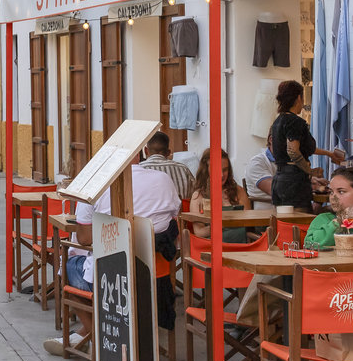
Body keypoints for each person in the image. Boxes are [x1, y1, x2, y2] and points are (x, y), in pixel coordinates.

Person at [63, 165, 181, 347]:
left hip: (111, 278)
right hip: (155, 274)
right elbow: (175, 219)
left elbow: (84, 239)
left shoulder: (95, 183)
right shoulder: (163, 179)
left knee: (67, 266)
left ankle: (96, 336)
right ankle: (87, 333)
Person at [268, 81, 341, 211]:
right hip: (294, 182)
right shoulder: (295, 122)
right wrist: (310, 171)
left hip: (279, 179)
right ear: (298, 98)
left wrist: (328, 153)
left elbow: (302, 148)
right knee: (300, 223)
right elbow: (293, 151)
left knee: (282, 223)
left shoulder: (278, 121)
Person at [188, 153, 248, 244]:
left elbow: (248, 221)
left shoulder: (238, 191)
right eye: (216, 170)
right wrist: (222, 225)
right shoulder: (198, 196)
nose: (221, 175)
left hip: (239, 246)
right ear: (206, 171)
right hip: (213, 246)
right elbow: (199, 232)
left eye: (225, 170)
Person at [139, 131, 193, 202]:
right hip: (181, 212)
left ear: (146, 151)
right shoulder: (183, 169)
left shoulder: (139, 169)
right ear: (168, 152)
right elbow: (194, 194)